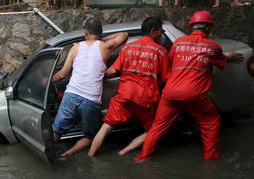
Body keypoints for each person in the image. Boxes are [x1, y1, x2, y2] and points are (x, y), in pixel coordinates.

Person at [134, 10, 243, 162]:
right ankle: (210, 160)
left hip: (170, 92)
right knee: (211, 121)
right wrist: (229, 58)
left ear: (192, 27)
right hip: (194, 94)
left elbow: (171, 62)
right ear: (208, 28)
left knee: (158, 127)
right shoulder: (212, 46)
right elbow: (220, 59)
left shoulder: (178, 43)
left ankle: (142, 157)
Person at [88, 17, 170, 157]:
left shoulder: (127, 48)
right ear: (153, 31)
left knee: (106, 127)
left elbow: (111, 71)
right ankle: (125, 151)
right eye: (160, 32)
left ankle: (90, 155)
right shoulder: (160, 51)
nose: (161, 35)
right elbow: (167, 78)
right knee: (154, 129)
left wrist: (91, 70)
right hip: (146, 99)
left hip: (124, 95)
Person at [52, 17, 128, 158]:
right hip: (91, 100)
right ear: (99, 33)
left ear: (85, 33)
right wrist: (101, 38)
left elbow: (62, 74)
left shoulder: (75, 48)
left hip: (71, 95)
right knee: (90, 136)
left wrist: (48, 80)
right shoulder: (105, 46)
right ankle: (69, 153)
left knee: (56, 131)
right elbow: (124, 35)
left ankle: (49, 153)